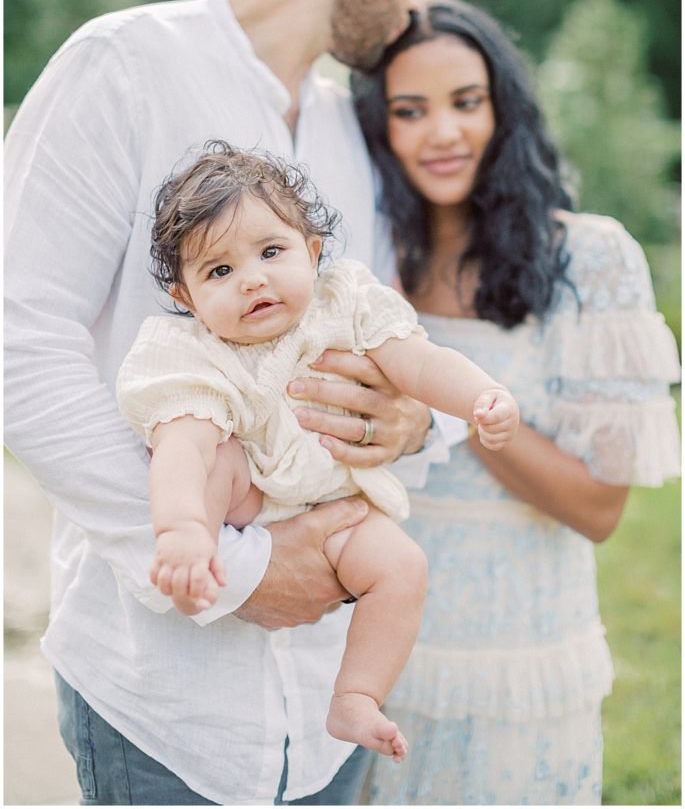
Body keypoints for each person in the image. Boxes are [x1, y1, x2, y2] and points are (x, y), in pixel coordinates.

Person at [4, 0, 469, 806]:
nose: (418, 5)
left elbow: (383, 345)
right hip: (164, 704)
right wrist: (237, 566)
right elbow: (16, 340)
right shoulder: (122, 64)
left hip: (329, 704)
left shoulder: (351, 133)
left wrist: (409, 419)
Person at [350, 0, 681, 805]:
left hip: (520, 663)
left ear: (503, 106)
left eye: (467, 102)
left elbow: (598, 508)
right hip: (372, 664)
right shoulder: (366, 264)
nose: (444, 133)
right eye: (409, 109)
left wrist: (446, 416)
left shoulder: (586, 258)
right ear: (378, 128)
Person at [116, 142, 519, 760]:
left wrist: (480, 397)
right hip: (250, 500)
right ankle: (193, 551)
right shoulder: (191, 352)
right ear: (187, 298)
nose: (252, 278)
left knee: (402, 569)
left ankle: (355, 696)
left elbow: (419, 362)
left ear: (311, 251)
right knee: (208, 447)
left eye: (271, 252)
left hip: (335, 502)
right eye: (218, 271)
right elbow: (183, 453)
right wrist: (180, 530)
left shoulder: (345, 303)